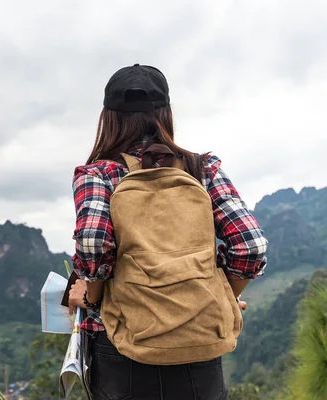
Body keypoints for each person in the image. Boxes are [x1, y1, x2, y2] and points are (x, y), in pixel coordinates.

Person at [68, 64, 267, 400]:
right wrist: (220, 296)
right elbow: (250, 245)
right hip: (198, 342)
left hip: (123, 348)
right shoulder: (202, 169)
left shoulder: (98, 174)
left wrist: (91, 296)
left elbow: (93, 243)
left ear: (107, 117)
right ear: (167, 113)